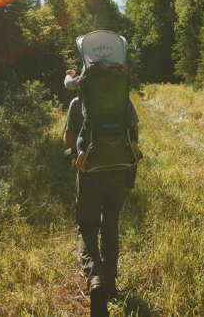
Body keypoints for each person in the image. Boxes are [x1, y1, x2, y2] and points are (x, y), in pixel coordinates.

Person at [63, 93, 139, 316]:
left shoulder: (78, 103)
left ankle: (95, 281)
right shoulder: (123, 98)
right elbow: (134, 136)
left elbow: (69, 141)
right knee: (111, 225)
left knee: (87, 227)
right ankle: (111, 285)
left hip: (89, 173)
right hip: (119, 170)